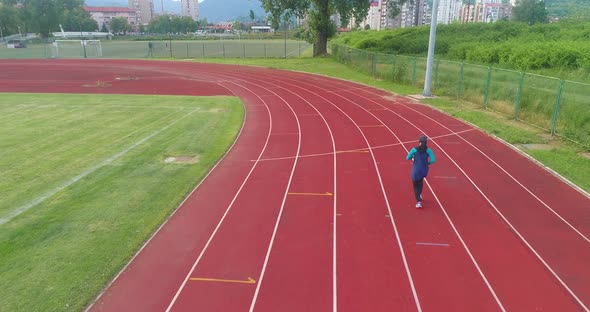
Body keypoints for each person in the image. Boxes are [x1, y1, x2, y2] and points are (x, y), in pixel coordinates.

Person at [406, 135, 436, 208]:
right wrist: (428, 163)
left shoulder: (414, 149)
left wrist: (413, 157)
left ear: (419, 142)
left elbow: (407, 158)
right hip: (424, 170)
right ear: (426, 142)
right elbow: (433, 160)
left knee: (415, 186)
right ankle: (420, 194)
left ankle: (418, 202)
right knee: (421, 180)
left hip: (416, 171)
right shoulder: (428, 150)